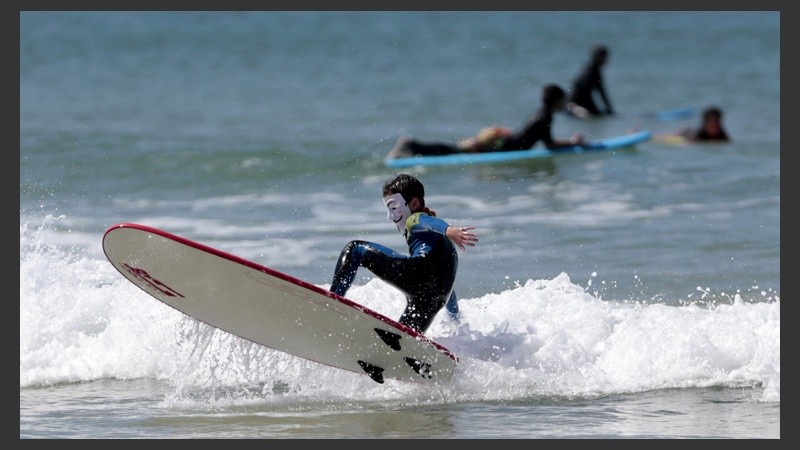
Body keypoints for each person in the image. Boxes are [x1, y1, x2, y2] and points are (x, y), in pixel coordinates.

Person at [329, 174, 478, 333]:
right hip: (433, 300)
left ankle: (331, 303)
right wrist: (455, 319)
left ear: (414, 203)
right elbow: (448, 286)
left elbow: (428, 222)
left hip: (417, 275)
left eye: (393, 208)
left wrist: (448, 230)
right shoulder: (443, 245)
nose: (390, 216)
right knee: (401, 339)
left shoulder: (415, 219)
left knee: (355, 249)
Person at [387, 83, 585, 158]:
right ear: (557, 101)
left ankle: (414, 147)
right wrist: (573, 143)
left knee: (457, 150)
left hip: (505, 143)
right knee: (456, 151)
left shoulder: (542, 113)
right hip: (502, 146)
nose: (565, 102)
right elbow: (549, 145)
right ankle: (412, 145)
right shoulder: (545, 117)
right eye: (563, 99)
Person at [566, 45, 615, 118]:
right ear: (599, 57)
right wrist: (610, 111)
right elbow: (599, 92)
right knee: (595, 115)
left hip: (572, 103)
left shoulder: (590, 68)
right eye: (605, 57)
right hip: (575, 105)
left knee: (598, 114)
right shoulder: (592, 71)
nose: (606, 60)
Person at [655, 106, 731, 144]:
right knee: (665, 137)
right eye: (709, 121)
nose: (712, 124)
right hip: (686, 132)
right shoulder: (697, 135)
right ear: (704, 122)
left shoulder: (724, 137)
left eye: (716, 121)